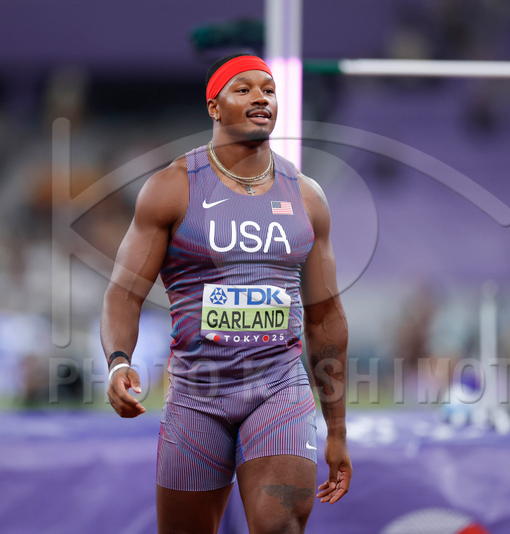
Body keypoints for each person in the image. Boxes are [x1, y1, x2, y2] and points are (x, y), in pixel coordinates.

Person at [100, 53, 352, 534]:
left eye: (269, 90)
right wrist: (118, 361)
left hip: (279, 389)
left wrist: (336, 429)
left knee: (279, 526)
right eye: (244, 89)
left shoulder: (306, 196)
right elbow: (123, 294)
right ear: (214, 107)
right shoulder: (172, 188)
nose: (261, 97)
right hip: (197, 395)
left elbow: (325, 317)